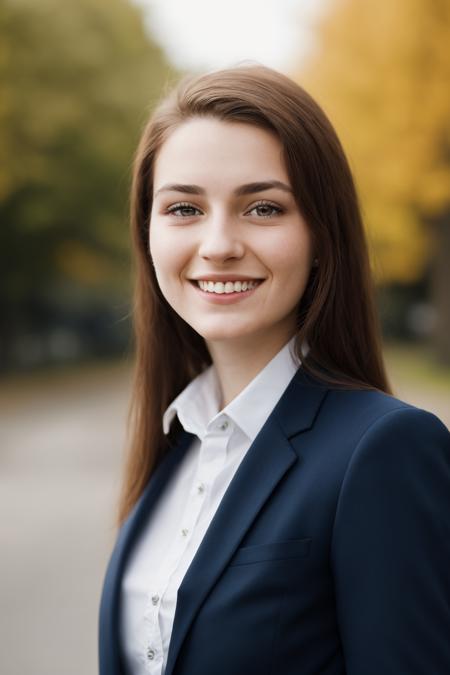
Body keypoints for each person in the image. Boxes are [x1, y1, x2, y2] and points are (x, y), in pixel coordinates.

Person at [98, 63, 450, 675]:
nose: (218, 244)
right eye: (183, 208)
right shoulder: (176, 447)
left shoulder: (386, 449)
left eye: (262, 208)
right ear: (147, 232)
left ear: (322, 234)